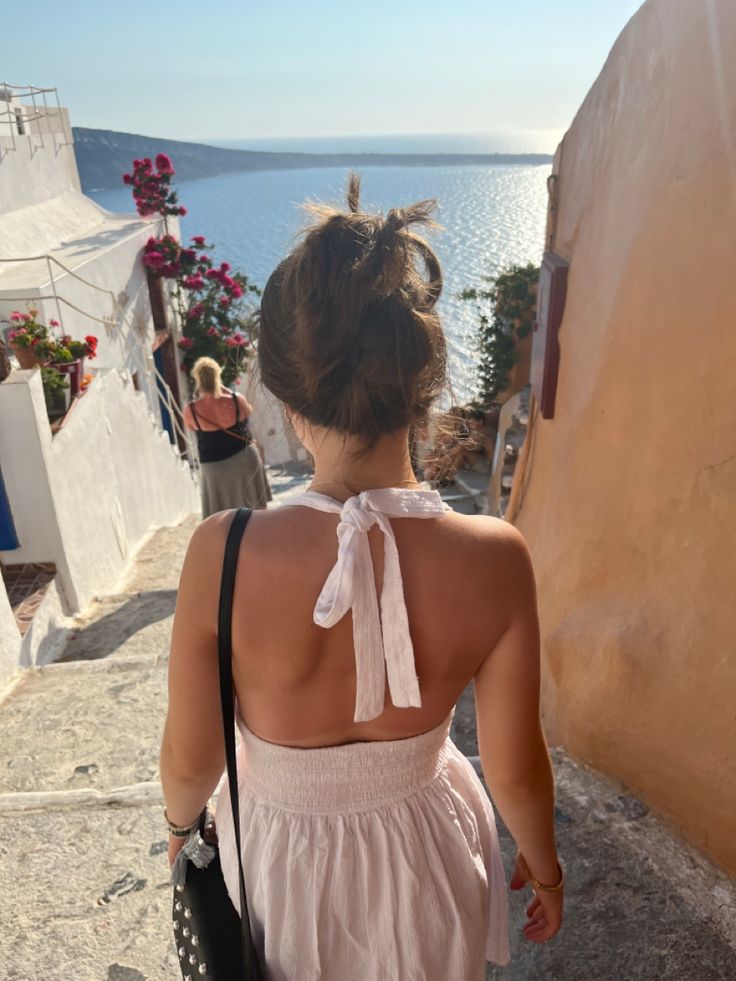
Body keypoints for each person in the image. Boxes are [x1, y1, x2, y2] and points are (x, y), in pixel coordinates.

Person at [161, 176, 563, 980]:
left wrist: (180, 828)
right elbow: (516, 768)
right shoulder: (496, 555)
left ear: (278, 392)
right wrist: (545, 866)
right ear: (424, 386)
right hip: (430, 855)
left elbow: (190, 761)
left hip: (281, 864)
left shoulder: (223, 552)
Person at [182, 357, 272, 518]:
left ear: (197, 379)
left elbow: (190, 427)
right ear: (218, 375)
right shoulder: (236, 400)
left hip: (214, 468)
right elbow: (248, 412)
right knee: (258, 513)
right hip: (245, 458)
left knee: (220, 519)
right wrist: (223, 388)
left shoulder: (191, 410)